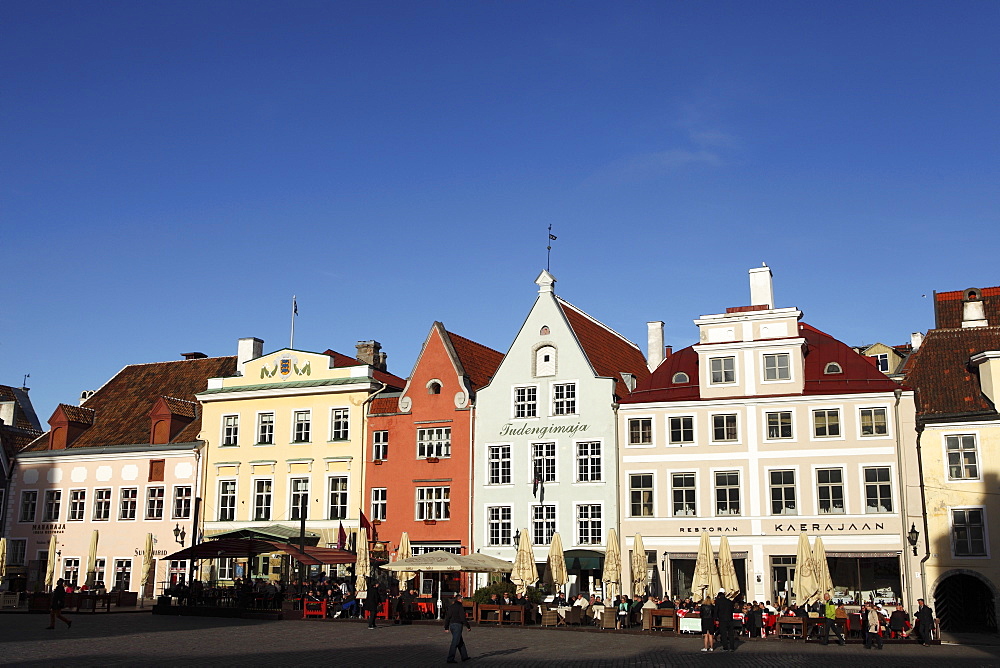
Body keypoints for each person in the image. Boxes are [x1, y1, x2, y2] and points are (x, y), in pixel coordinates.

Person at [444, 593, 471, 663]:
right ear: (459, 599)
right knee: (455, 642)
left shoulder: (451, 606)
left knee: (460, 641)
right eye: (462, 599)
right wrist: (468, 626)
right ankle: (450, 658)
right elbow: (463, 617)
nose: (462, 600)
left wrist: (446, 627)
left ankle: (464, 656)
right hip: (458, 625)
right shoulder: (460, 607)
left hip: (452, 625)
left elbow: (447, 617)